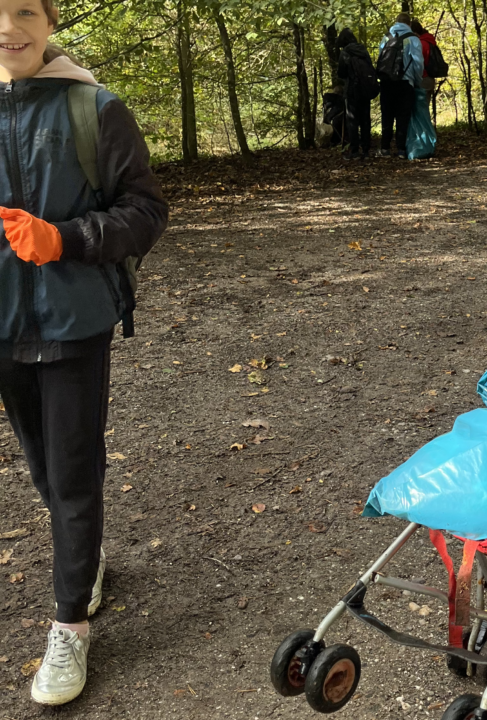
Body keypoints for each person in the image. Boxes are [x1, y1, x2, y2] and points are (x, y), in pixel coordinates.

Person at [0, 0, 168, 706]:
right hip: (3, 329)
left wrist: (64, 239)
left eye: (23, 10)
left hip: (72, 324)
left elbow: (145, 211)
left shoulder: (95, 110)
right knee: (46, 467)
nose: (8, 27)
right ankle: (87, 559)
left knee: (70, 476)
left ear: (50, 20)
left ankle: (71, 623)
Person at [376, 12, 423, 159]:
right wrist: (416, 81)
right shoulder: (413, 39)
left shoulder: (386, 38)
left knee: (387, 115)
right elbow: (418, 63)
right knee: (403, 117)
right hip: (405, 83)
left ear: (396, 22)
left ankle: (385, 149)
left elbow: (380, 59)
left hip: (386, 83)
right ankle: (401, 150)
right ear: (409, 24)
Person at [336, 28, 374, 160]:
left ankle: (354, 151)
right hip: (365, 89)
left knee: (352, 121)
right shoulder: (363, 50)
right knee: (365, 120)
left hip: (352, 90)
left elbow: (341, 72)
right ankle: (366, 150)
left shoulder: (345, 53)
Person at [407, 19, 438, 160]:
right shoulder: (430, 41)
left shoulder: (421, 43)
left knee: (421, 115)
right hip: (430, 80)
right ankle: (426, 143)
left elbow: (419, 63)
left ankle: (423, 145)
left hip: (423, 80)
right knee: (424, 112)